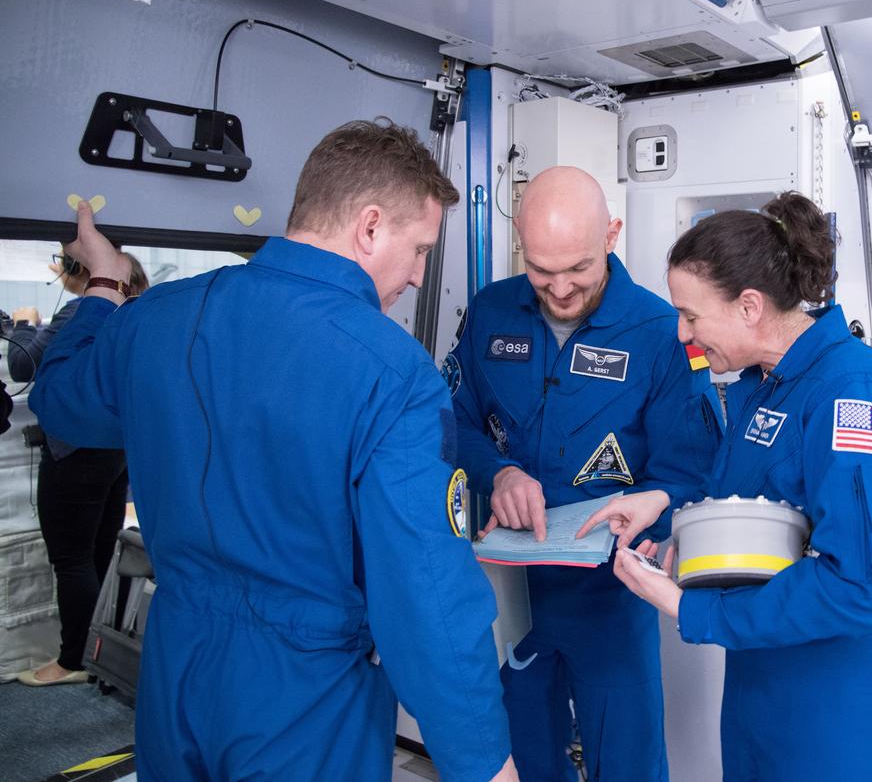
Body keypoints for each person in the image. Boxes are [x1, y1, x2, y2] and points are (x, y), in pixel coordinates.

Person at [31, 119, 517, 782]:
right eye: (421, 248)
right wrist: (484, 761)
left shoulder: (153, 319)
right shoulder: (392, 372)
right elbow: (427, 596)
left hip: (173, 674)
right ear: (370, 227)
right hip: (307, 697)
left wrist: (106, 284)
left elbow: (57, 398)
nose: (417, 273)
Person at [595, 192, 872, 781]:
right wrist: (668, 517)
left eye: (691, 314)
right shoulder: (767, 384)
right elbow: (756, 507)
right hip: (769, 686)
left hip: (844, 706)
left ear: (750, 306)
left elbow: (863, 588)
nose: (683, 333)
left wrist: (690, 609)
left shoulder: (852, 397)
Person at [447, 166, 719, 781]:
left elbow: (693, 472)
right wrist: (501, 472)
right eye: (543, 272)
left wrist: (659, 510)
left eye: (578, 269)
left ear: (612, 236)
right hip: (505, 589)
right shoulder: (491, 313)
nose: (561, 289)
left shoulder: (663, 333)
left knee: (625, 760)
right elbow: (451, 424)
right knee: (522, 753)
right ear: (520, 242)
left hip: (611, 594)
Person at [9, 251, 149, 687]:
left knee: (71, 559)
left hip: (75, 450)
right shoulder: (141, 312)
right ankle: (94, 653)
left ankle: (72, 659)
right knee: (99, 552)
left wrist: (21, 326)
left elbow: (21, 365)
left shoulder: (78, 312)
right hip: (117, 448)